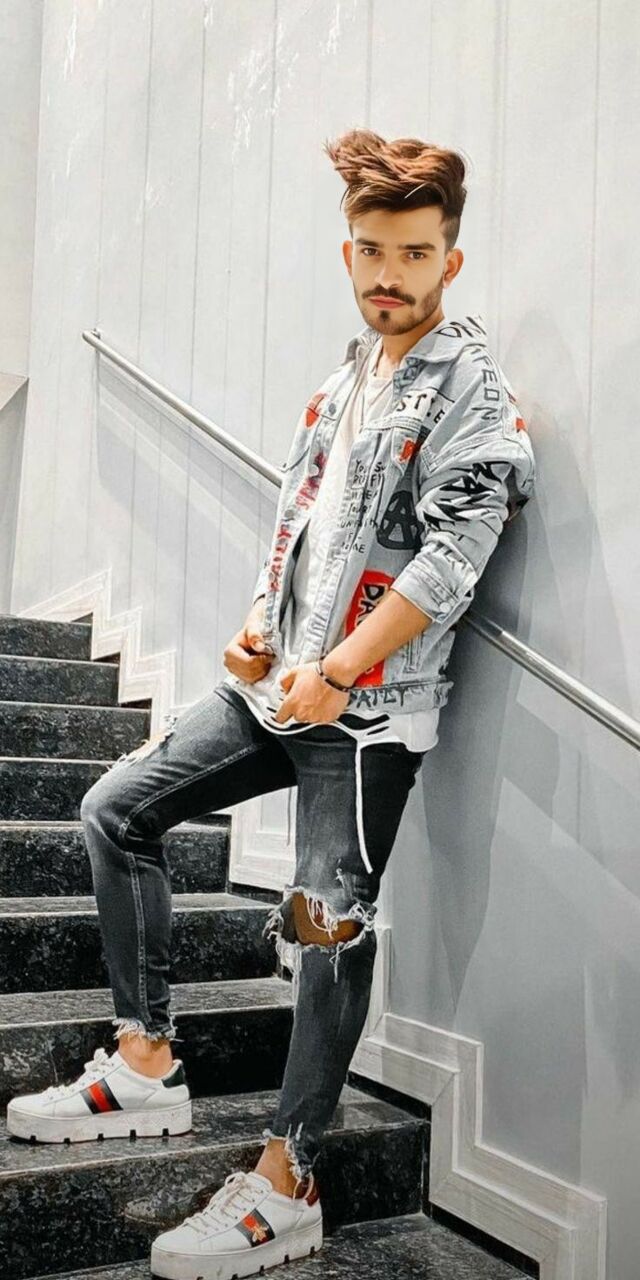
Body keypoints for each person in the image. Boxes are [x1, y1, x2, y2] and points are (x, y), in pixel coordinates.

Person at [6, 127, 535, 1280]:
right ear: (348, 251)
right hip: (278, 686)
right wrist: (260, 623)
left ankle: (289, 1179)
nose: (388, 272)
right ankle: (145, 1059)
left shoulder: (470, 389)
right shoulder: (347, 379)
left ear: (450, 258)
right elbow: (297, 519)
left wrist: (339, 666)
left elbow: (454, 559)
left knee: (323, 921)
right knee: (115, 808)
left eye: (414, 252)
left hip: (366, 711)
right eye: (371, 250)